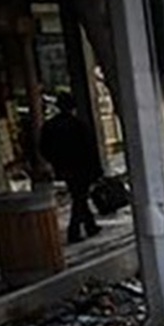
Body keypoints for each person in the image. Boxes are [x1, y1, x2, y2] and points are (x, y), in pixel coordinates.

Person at [39, 91, 102, 244]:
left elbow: (43, 148)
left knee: (78, 195)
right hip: (81, 167)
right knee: (79, 198)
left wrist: (55, 161)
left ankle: (90, 225)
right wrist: (97, 170)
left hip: (63, 167)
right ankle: (74, 231)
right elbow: (90, 149)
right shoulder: (78, 125)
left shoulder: (49, 126)